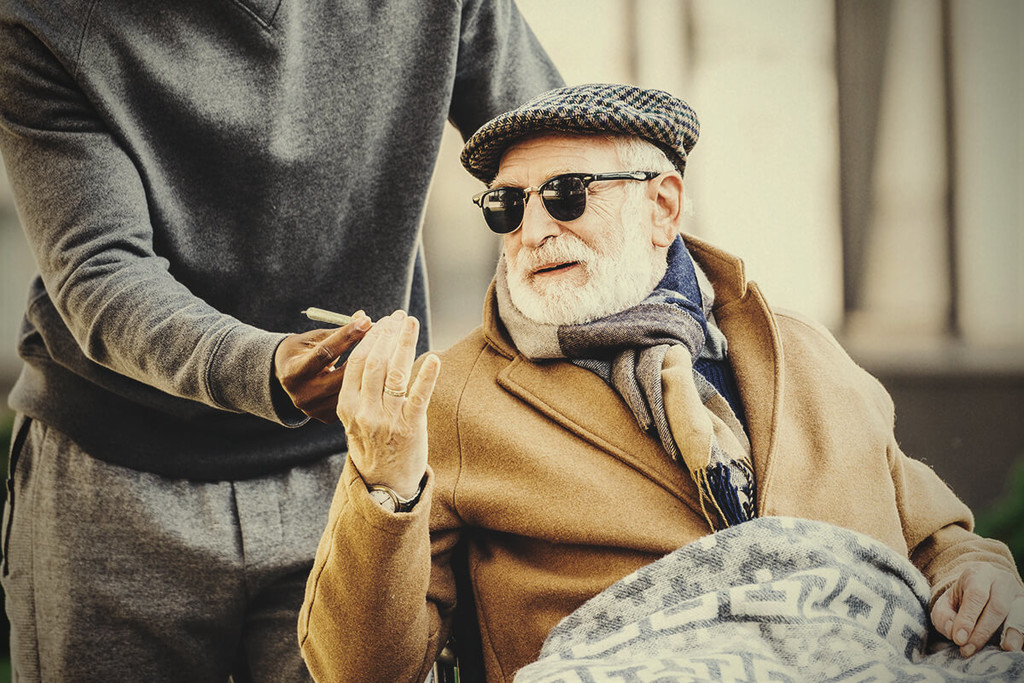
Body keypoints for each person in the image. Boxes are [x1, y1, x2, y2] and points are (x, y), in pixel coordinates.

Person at [297, 83, 1024, 682]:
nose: (533, 230)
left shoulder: (801, 350)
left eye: (567, 194)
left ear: (663, 206)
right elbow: (357, 672)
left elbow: (938, 538)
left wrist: (977, 572)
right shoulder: (452, 398)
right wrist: (384, 484)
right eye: (507, 206)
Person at [0, 1, 562, 681]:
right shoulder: (42, 18)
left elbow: (559, 148)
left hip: (356, 472)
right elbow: (98, 268)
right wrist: (258, 366)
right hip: (113, 486)